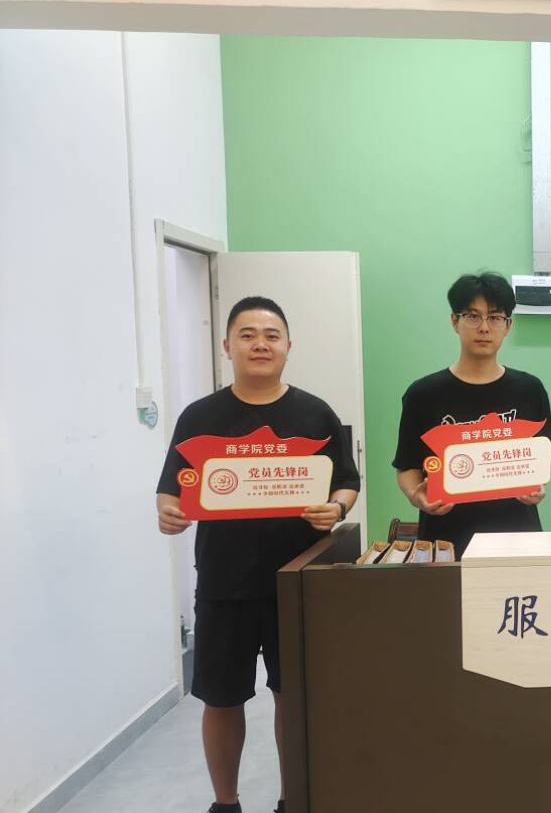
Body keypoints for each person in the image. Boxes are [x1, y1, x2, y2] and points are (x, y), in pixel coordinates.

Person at [157, 296, 360, 813]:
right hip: (224, 584)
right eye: (247, 335)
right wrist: (168, 513)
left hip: (297, 582)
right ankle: (225, 803)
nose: (260, 344)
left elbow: (347, 481)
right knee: (222, 698)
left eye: (271, 335)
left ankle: (294, 799)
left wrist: (335, 508)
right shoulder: (199, 417)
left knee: (293, 697)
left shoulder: (314, 413)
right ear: (228, 346)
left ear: (289, 346)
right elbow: (171, 490)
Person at [393, 272, 551, 551]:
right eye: (472, 316)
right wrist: (416, 496)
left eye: (495, 318)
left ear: (508, 325)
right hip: (446, 540)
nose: (484, 328)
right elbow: (407, 467)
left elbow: (545, 456)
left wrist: (538, 484)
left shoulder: (529, 389)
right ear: (454, 322)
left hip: (517, 538)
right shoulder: (423, 394)